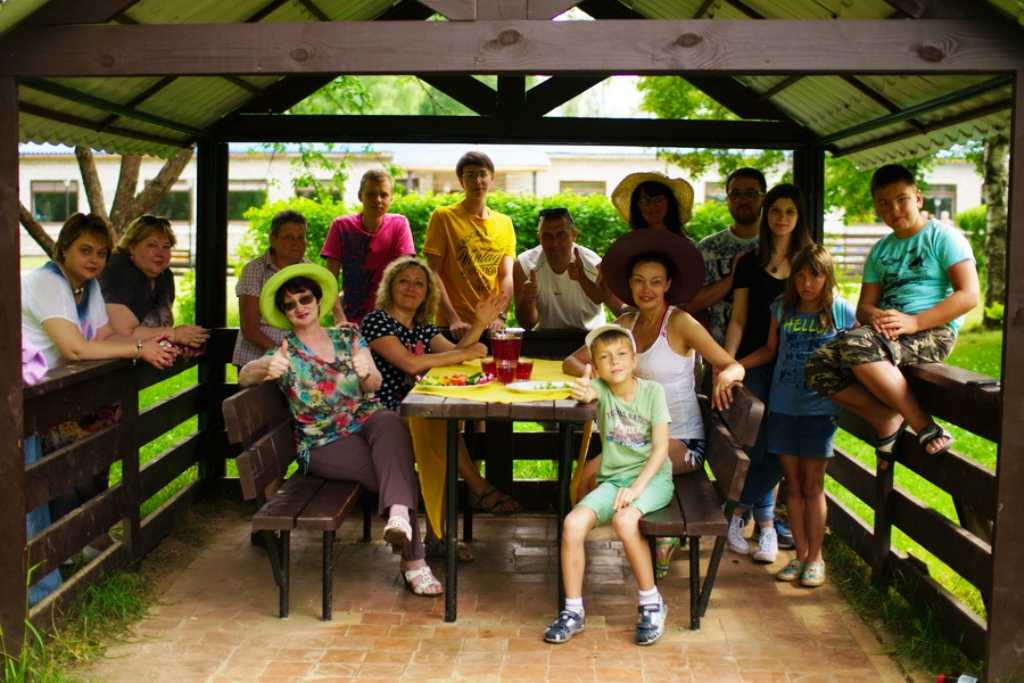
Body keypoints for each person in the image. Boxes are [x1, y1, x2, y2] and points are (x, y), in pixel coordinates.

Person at [238, 263, 442, 596]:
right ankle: (413, 558)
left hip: (367, 421)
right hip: (321, 444)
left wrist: (366, 372)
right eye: (289, 304)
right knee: (398, 473)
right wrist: (262, 366)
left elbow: (374, 385)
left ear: (319, 300)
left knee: (390, 419)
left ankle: (400, 522)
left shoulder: (348, 336)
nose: (299, 307)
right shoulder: (284, 353)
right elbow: (244, 376)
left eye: (305, 298)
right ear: (284, 313)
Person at [562, 229, 745, 578]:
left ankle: (659, 537)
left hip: (681, 442)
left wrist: (726, 375)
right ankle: (585, 557)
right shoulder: (625, 324)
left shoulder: (680, 322)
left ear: (667, 285)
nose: (647, 289)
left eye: (656, 282)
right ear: (630, 285)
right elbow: (572, 360)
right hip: (633, 441)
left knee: (607, 478)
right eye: (639, 281)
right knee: (582, 479)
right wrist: (591, 372)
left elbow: (731, 364)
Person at [21, 213, 176, 554]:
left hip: (65, 394)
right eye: (85, 250)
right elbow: (75, 348)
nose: (94, 260)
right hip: (29, 400)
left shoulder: (88, 286)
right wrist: (139, 349)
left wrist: (155, 341)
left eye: (102, 253)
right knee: (65, 465)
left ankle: (84, 535)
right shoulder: (48, 282)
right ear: (64, 249)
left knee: (97, 447)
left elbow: (105, 336)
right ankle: (64, 544)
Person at [806, 164, 979, 465]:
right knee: (817, 365)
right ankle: (885, 417)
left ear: (918, 198)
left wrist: (914, 321)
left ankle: (924, 424)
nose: (894, 209)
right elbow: (864, 307)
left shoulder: (943, 238)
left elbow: (969, 294)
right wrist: (874, 316)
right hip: (885, 333)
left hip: (932, 330)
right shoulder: (880, 251)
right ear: (877, 208)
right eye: (884, 203)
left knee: (857, 342)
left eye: (902, 199)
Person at [360, 256, 520, 558]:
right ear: (390, 287)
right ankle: (475, 492)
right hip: (382, 416)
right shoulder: (376, 321)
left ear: (427, 293)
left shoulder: (422, 326)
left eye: (419, 283)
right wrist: (465, 353)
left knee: (438, 427)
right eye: (404, 281)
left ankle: (441, 532)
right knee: (438, 429)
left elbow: (455, 354)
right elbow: (410, 363)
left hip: (419, 410)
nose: (411, 287)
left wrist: (479, 323)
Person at [547, 325, 676, 646]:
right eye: (604, 357)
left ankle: (651, 603)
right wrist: (583, 386)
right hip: (614, 480)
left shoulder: (652, 392)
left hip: (653, 479)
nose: (614, 361)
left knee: (625, 520)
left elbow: (661, 449)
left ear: (634, 359)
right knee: (572, 524)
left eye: (621, 354)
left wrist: (636, 490)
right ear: (596, 366)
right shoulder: (601, 389)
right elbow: (587, 393)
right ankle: (573, 611)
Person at [740, 245, 857, 587]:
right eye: (801, 276)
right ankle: (800, 556)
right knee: (791, 486)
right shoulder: (782, 308)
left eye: (815, 276)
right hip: (782, 408)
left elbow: (862, 354)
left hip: (820, 412)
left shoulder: (841, 311)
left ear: (827, 277)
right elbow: (769, 350)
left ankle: (816, 558)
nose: (807, 283)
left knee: (812, 486)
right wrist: (734, 366)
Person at [723, 184, 813, 563]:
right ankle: (763, 527)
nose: (782, 218)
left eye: (790, 211)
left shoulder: (811, 261)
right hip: (754, 364)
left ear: (799, 216)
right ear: (766, 213)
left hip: (796, 368)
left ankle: (736, 514)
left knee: (782, 451)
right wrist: (728, 365)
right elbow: (738, 319)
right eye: (776, 210)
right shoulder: (748, 262)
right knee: (756, 447)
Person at [424, 151, 514, 339]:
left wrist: (500, 316)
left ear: (492, 178)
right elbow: (433, 273)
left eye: (482, 174)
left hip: (491, 328)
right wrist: (453, 319)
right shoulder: (443, 217)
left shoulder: (505, 223)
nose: (477, 181)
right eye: (470, 175)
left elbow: (507, 276)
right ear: (461, 181)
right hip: (455, 327)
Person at [320, 168, 415, 327]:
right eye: (371, 193)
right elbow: (329, 280)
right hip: (352, 322)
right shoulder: (341, 226)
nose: (377, 200)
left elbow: (404, 275)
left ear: (391, 198)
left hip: (390, 321)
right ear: (360, 196)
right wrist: (340, 319)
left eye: (384, 195)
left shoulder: (399, 224)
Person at [99, 214, 209, 349]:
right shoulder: (117, 271)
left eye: (166, 247)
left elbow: (159, 331)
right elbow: (121, 335)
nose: (160, 253)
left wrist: (178, 345)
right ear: (132, 247)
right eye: (152, 245)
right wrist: (175, 335)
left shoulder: (165, 277)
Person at [513, 207, 620, 330]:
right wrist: (527, 300)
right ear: (539, 238)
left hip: (590, 337)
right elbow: (527, 324)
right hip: (544, 338)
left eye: (561, 235)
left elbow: (620, 309)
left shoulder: (594, 265)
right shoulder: (524, 265)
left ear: (573, 235)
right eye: (547, 236)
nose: (554, 242)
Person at [693, 168, 767, 345]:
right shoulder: (708, 248)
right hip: (718, 349)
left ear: (763, 198)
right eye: (735, 194)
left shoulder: (777, 245)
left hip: (770, 351)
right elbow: (693, 304)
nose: (742, 200)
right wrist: (734, 277)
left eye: (750, 193)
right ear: (727, 200)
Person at [232, 210, 313, 368]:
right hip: (256, 360)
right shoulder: (255, 270)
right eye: (288, 237)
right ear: (273, 240)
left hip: (298, 362)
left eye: (301, 237)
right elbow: (249, 329)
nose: (296, 243)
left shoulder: (310, 271)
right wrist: (283, 355)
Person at [610, 172, 694, 239]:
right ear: (637, 207)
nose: (652, 205)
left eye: (658, 198)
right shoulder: (630, 245)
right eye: (644, 200)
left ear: (670, 201)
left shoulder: (685, 245)